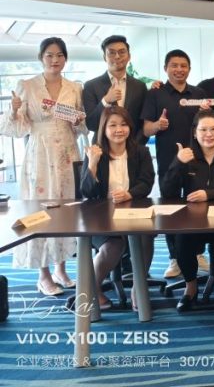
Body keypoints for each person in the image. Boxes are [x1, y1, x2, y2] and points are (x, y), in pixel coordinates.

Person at [1, 37, 87, 296]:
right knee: (41, 210)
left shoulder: (74, 88)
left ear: (66, 58)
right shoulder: (27, 85)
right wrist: (13, 110)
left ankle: (61, 268)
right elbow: (16, 129)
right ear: (41, 57)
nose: (55, 60)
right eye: (49, 55)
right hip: (39, 153)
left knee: (67, 208)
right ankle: (43, 274)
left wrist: (78, 120)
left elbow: (82, 127)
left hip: (67, 152)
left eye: (60, 55)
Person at [161, 110, 214, 311]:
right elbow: (168, 192)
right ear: (195, 132)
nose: (209, 134)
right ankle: (190, 286)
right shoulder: (186, 155)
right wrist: (178, 163)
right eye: (203, 130)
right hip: (192, 218)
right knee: (182, 241)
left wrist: (209, 194)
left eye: (213, 129)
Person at [141, 49, 208, 279]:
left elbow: (208, 125)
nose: (179, 69)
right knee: (170, 208)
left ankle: (198, 253)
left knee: (197, 207)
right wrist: (157, 126)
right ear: (166, 68)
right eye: (174, 65)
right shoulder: (155, 93)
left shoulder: (198, 93)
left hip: (197, 160)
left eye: (183, 65)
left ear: (189, 69)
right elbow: (145, 129)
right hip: (168, 161)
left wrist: (206, 113)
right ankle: (174, 258)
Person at [80, 106, 155, 309]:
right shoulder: (95, 152)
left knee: (146, 237)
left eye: (123, 124)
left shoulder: (141, 152)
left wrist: (130, 194)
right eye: (112, 125)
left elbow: (147, 183)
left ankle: (138, 289)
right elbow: (87, 192)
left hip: (133, 212)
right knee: (113, 245)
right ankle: (92, 289)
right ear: (104, 129)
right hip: (100, 216)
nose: (119, 130)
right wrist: (92, 163)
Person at [82, 35, 147, 143]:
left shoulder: (140, 86)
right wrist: (106, 101)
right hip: (102, 149)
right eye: (111, 53)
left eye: (122, 52)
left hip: (133, 148)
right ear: (104, 57)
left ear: (129, 56)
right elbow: (91, 124)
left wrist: (136, 145)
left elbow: (144, 123)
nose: (117, 56)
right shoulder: (91, 86)